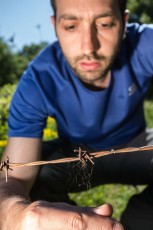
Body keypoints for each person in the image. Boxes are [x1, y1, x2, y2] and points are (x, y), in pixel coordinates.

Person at [1, 0, 153, 228]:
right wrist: (16, 215)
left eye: (105, 24)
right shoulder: (38, 80)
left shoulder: (145, 43)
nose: (88, 47)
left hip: (138, 146)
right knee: (33, 179)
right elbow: (13, 177)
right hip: (78, 155)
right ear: (55, 26)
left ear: (123, 21)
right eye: (71, 26)